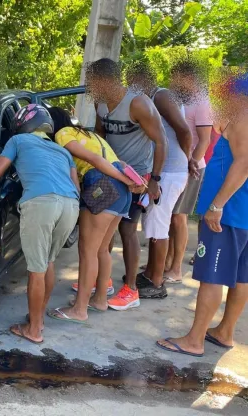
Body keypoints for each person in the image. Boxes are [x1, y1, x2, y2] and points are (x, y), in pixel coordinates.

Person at [156, 73, 248, 357]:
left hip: (228, 215)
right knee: (241, 277)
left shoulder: (243, 118)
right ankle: (224, 332)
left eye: (227, 93)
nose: (223, 99)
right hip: (242, 216)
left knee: (213, 276)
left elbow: (244, 164)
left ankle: (194, 340)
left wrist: (216, 206)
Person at [0, 104, 79, 343]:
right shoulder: (63, 151)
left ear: (22, 125)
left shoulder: (19, 141)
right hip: (70, 205)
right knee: (49, 261)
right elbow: (76, 187)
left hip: (41, 204)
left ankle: (33, 330)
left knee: (36, 269)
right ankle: (39, 320)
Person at [87, 58, 168, 311]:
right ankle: (104, 280)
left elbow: (161, 141)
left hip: (137, 178)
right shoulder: (99, 102)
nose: (89, 86)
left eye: (92, 82)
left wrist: (154, 180)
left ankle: (131, 289)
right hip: (110, 173)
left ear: (106, 80)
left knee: (127, 230)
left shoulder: (138, 103)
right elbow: (100, 134)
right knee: (104, 229)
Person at [47, 107, 140, 322]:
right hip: (121, 191)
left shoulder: (63, 134)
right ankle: (99, 299)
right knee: (101, 250)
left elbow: (96, 162)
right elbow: (121, 163)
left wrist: (123, 180)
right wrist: (127, 181)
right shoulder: (91, 135)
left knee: (87, 251)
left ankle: (79, 310)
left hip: (103, 184)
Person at [126, 62, 191, 299]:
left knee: (159, 226)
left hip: (169, 171)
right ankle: (151, 273)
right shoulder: (153, 98)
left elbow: (184, 130)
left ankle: (156, 281)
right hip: (163, 170)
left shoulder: (161, 96)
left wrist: (189, 157)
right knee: (153, 224)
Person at [164, 60, 212, 282]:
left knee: (179, 217)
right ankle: (165, 262)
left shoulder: (202, 102)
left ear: (188, 78)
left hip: (191, 167)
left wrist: (191, 162)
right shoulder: (179, 100)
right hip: (175, 165)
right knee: (171, 216)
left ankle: (176, 269)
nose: (173, 82)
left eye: (177, 78)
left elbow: (204, 140)